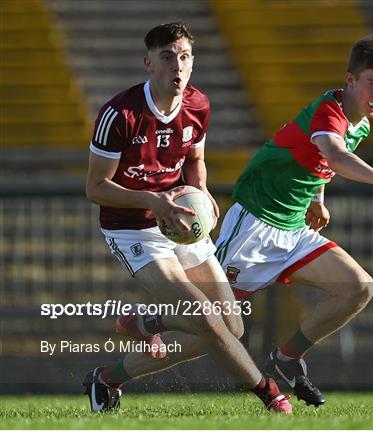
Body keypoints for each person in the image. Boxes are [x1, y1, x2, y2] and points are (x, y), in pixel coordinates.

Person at [83, 22, 291, 414]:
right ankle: (268, 393)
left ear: (192, 62)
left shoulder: (198, 106)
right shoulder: (120, 114)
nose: (177, 67)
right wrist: (153, 201)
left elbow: (195, 162)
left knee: (231, 328)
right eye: (167, 57)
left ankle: (113, 370)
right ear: (149, 64)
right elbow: (96, 188)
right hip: (133, 228)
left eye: (184, 57)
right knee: (206, 319)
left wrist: (203, 192)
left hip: (180, 221)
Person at [214, 32, 373, 406]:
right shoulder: (330, 110)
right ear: (350, 80)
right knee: (210, 322)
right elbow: (334, 154)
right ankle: (121, 360)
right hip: (256, 218)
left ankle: (286, 359)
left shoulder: (360, 122)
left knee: (358, 287)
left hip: (294, 227)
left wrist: (317, 198)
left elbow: (321, 161)